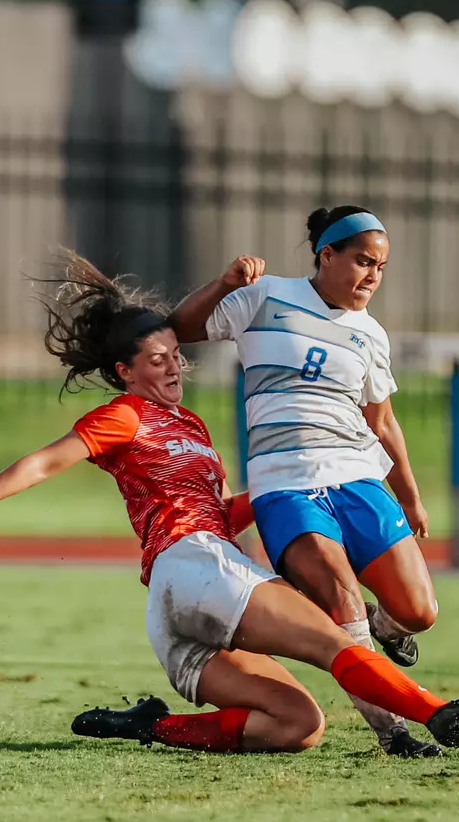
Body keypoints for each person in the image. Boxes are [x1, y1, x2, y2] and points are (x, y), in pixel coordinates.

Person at [0, 254, 459, 756]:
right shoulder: (124, 415)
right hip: (194, 568)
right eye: (158, 359)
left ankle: (150, 727)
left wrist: (278, 488)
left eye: (177, 355)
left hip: (180, 607)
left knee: (298, 725)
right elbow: (42, 461)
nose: (175, 366)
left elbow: (217, 513)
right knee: (339, 642)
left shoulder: (193, 428)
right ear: (124, 370)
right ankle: (438, 713)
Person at [168, 205, 444, 758]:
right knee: (341, 603)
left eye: (382, 267)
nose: (373, 276)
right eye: (364, 261)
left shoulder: (370, 334)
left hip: (358, 478)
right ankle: (395, 734)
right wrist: (225, 282)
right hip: (285, 482)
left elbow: (382, 422)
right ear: (327, 255)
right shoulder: (265, 295)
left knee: (419, 612)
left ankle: (381, 624)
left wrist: (410, 496)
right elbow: (182, 327)